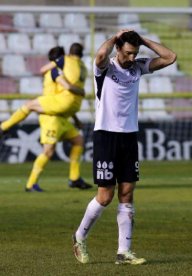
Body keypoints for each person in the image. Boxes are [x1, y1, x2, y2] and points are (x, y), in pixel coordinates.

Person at [72, 30, 176, 265]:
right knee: (105, 196)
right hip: (106, 136)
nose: (131, 58)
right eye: (128, 53)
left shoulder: (138, 67)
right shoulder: (105, 68)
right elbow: (100, 54)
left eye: (135, 53)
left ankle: (124, 252)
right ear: (118, 49)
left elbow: (170, 57)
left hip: (129, 136)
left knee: (127, 193)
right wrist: (115, 36)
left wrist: (143, 41)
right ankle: (79, 237)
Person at [25, 46, 92, 192]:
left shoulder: (59, 72)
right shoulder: (55, 72)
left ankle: (74, 178)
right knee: (48, 151)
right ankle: (31, 184)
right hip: (52, 117)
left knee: (78, 140)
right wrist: (79, 91)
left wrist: (75, 118)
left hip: (61, 116)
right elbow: (59, 98)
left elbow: (64, 101)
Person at [0, 43, 87, 135]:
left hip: (53, 113)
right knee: (76, 142)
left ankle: (3, 127)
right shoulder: (83, 67)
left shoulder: (56, 69)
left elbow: (64, 95)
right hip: (65, 108)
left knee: (29, 105)